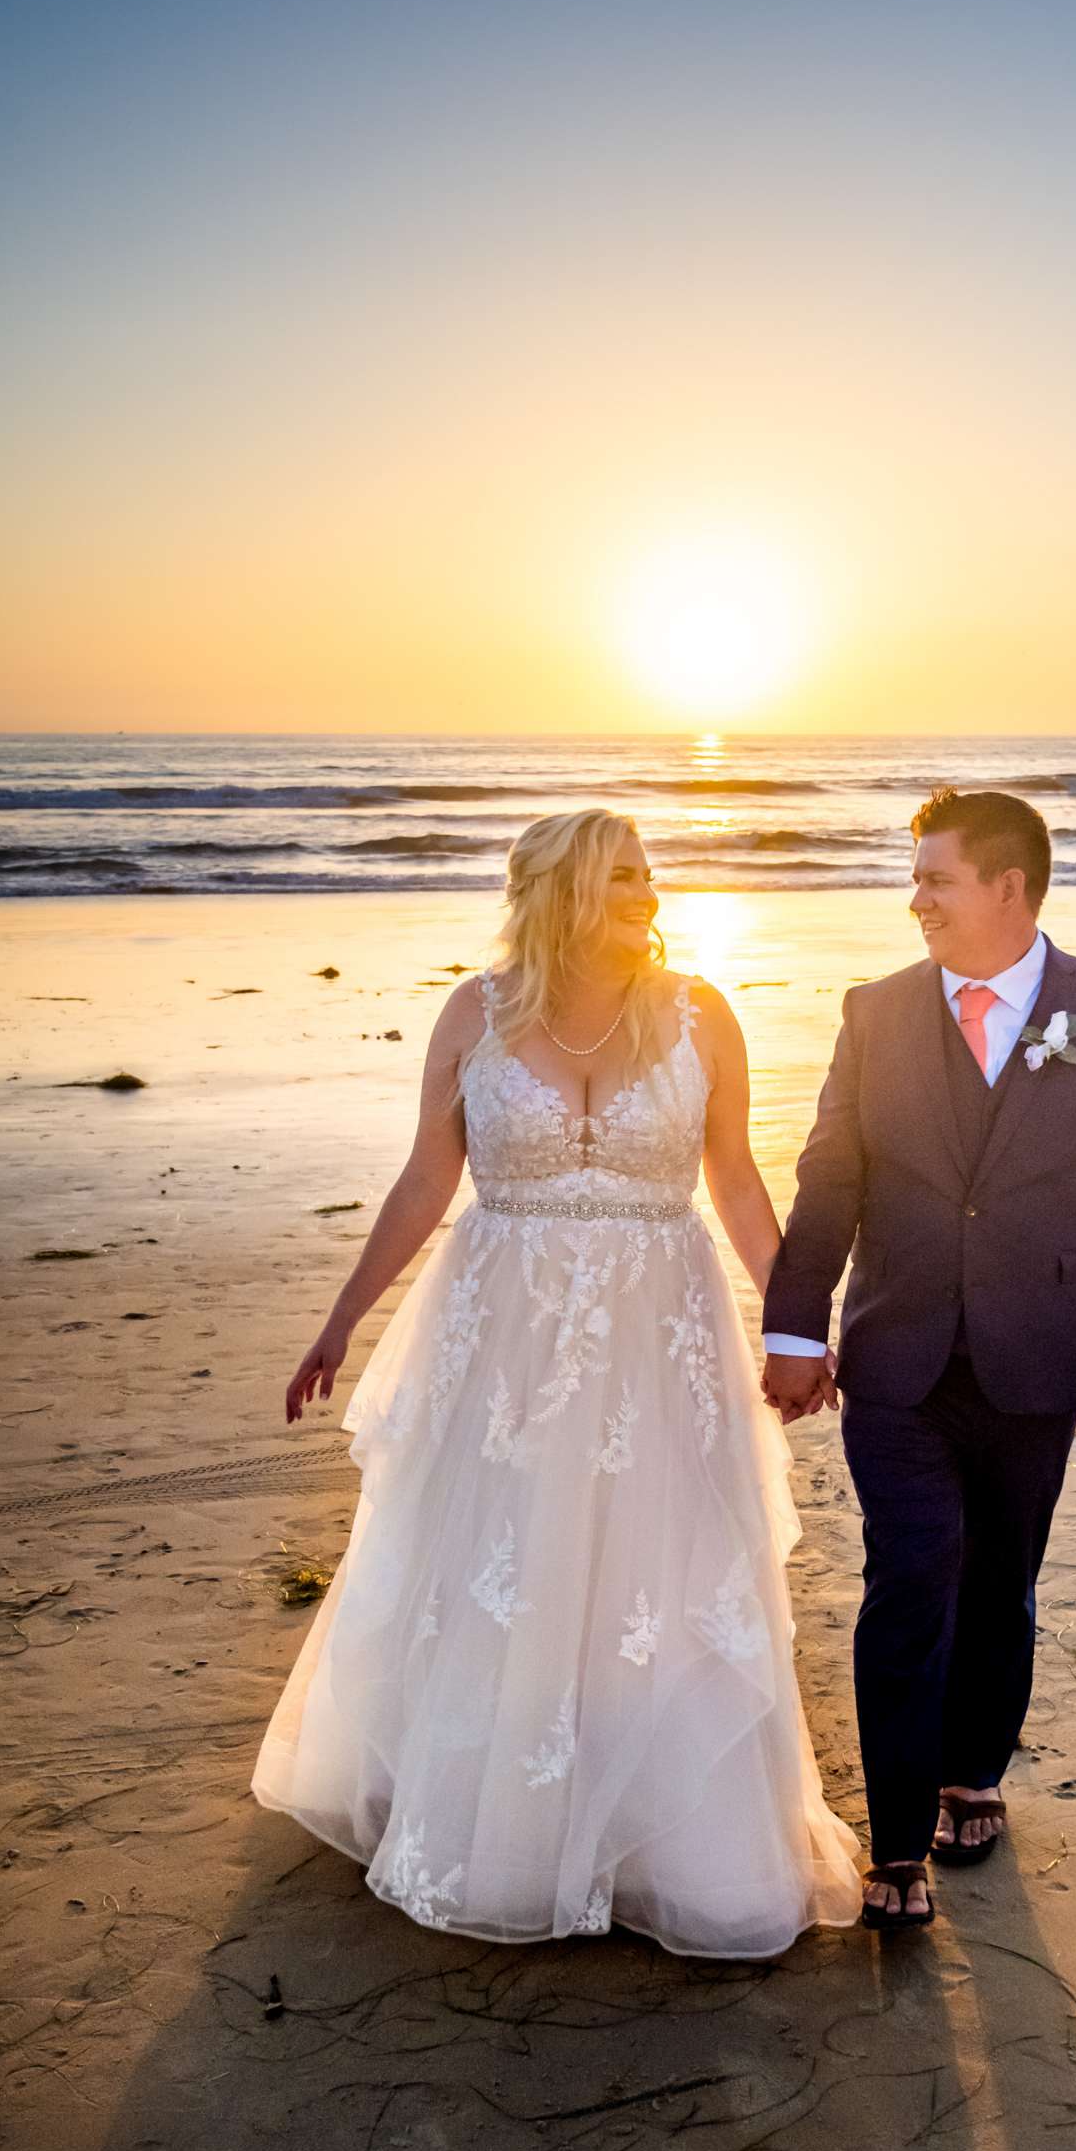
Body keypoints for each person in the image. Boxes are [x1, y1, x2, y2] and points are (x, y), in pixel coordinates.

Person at [252, 808, 861, 1958]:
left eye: (647, 874)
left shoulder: (702, 1014)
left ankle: (664, 1840)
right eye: (619, 877)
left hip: (661, 1335)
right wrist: (340, 1320)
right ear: (558, 891)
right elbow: (427, 1181)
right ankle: (505, 1826)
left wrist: (796, 1327)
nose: (645, 892)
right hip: (502, 1340)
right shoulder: (471, 1015)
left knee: (658, 1564)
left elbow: (734, 1183)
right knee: (503, 1559)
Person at [762, 787, 1076, 1929]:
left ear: (1007, 887)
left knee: (1001, 1582)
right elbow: (828, 1179)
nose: (916, 903)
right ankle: (897, 1844)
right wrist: (795, 1327)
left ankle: (972, 1773)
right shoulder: (875, 1013)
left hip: (1039, 1360)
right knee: (909, 1579)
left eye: (934, 881)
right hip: (893, 1360)